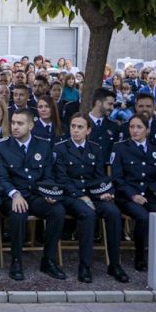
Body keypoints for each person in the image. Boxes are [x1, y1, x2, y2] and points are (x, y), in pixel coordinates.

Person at [54, 113, 129, 283]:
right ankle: (85, 265)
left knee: (113, 212)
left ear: (88, 130)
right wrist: (82, 196)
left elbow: (99, 177)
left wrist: (103, 192)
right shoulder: (60, 148)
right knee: (87, 214)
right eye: (73, 126)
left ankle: (115, 264)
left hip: (93, 195)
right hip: (71, 196)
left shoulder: (95, 149)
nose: (75, 130)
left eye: (80, 127)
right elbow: (62, 180)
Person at [0, 109, 66, 281]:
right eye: (13, 123)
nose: (15, 127)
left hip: (35, 195)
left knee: (57, 210)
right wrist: (14, 194)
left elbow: (48, 176)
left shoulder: (43, 145)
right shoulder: (2, 146)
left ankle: (48, 260)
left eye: (20, 123)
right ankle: (16, 261)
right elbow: (2, 178)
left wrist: (48, 194)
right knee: (18, 212)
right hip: (11, 196)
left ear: (31, 126)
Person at [111, 113, 156, 272]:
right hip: (127, 197)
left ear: (148, 130)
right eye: (132, 127)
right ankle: (140, 257)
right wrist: (132, 195)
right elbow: (117, 178)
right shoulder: (120, 148)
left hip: (150, 196)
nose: (135, 131)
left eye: (139, 127)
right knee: (143, 217)